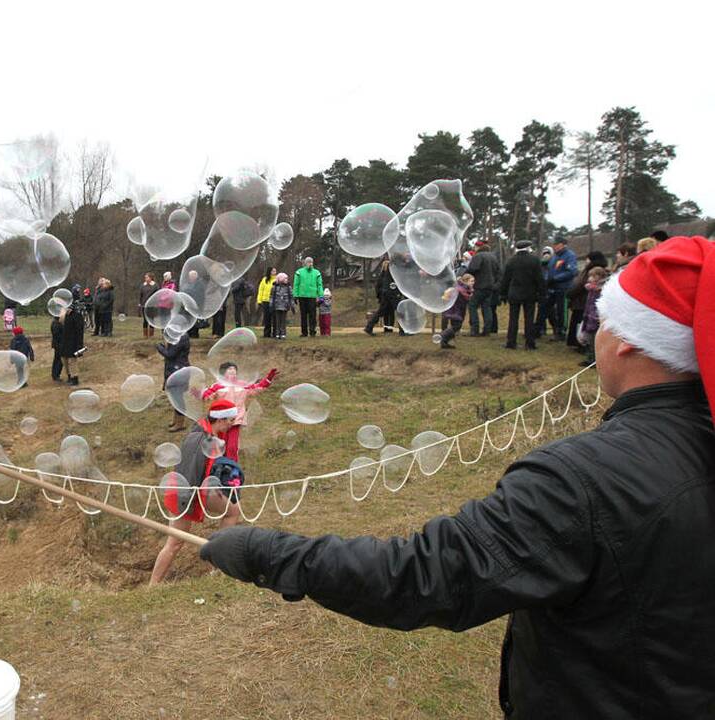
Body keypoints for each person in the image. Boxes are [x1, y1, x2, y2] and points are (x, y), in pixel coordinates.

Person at [200, 235, 715, 719]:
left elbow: (425, 576)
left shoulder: (583, 479)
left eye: (605, 319)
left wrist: (269, 554)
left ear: (628, 341)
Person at [150, 399, 243, 585]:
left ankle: (218, 564)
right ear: (220, 419)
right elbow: (189, 473)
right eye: (230, 420)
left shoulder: (209, 433)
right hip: (184, 495)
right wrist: (187, 503)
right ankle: (152, 585)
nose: (232, 424)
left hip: (195, 492)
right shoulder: (199, 439)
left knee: (232, 510)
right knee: (174, 543)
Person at [201, 364, 278, 459]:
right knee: (219, 443)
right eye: (230, 369)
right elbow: (207, 395)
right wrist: (203, 394)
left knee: (232, 446)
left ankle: (232, 466)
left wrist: (268, 379)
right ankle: (218, 464)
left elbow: (258, 388)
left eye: (234, 369)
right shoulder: (218, 385)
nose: (233, 370)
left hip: (236, 419)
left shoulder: (242, 384)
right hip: (220, 420)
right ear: (223, 373)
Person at [499, 240, 546, 350]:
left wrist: (503, 294)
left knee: (513, 319)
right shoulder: (534, 260)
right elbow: (539, 278)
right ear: (528, 248)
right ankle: (530, 343)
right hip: (530, 293)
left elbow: (505, 279)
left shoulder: (511, 261)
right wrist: (542, 293)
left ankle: (511, 342)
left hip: (514, 293)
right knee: (529, 319)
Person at [566, 252, 608, 348]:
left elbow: (580, 284)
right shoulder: (590, 270)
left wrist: (570, 293)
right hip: (582, 301)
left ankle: (582, 344)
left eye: (587, 259)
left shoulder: (594, 271)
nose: (586, 261)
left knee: (583, 325)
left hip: (583, 302)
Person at [545, 234, 578, 341]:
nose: (554, 246)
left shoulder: (569, 256)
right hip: (552, 288)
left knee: (561, 311)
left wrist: (555, 278)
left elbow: (571, 272)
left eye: (556, 244)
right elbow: (549, 270)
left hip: (564, 288)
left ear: (562, 245)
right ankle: (555, 327)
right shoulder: (555, 257)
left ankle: (562, 331)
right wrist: (547, 279)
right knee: (547, 308)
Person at [157, 331, 191, 432]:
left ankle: (180, 424)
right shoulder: (178, 335)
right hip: (174, 369)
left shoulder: (181, 337)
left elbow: (170, 354)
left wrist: (159, 347)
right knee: (174, 397)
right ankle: (176, 420)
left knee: (178, 398)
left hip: (178, 370)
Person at [465, 243, 501, 336]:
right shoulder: (493, 257)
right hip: (490, 287)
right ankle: (487, 330)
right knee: (487, 307)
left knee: (472, 306)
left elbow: (473, 268)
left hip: (480, 286)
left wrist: (466, 275)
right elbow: (498, 272)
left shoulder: (478, 256)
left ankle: (474, 329)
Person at [576, 266, 609, 367]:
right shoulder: (591, 289)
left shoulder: (602, 290)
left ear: (599, 277)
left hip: (596, 318)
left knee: (595, 340)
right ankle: (590, 358)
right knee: (589, 340)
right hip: (589, 316)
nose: (590, 278)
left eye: (592, 276)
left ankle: (595, 360)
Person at [364, 259, 403, 335]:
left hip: (385, 296)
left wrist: (380, 296)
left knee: (380, 313)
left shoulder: (383, 275)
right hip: (392, 295)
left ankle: (369, 327)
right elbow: (393, 285)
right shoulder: (391, 274)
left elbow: (378, 287)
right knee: (399, 312)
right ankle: (402, 330)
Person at [438, 274, 475, 350]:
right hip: (455, 310)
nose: (473, 283)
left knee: (456, 326)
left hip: (457, 310)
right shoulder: (461, 290)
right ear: (465, 281)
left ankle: (444, 343)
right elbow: (465, 297)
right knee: (457, 326)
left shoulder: (463, 288)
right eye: (471, 281)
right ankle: (443, 336)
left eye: (473, 281)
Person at [59, 292, 86, 386]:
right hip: (65, 340)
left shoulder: (77, 316)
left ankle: (75, 379)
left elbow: (80, 331)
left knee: (72, 361)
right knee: (64, 359)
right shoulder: (64, 316)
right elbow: (60, 324)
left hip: (73, 341)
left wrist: (79, 345)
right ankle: (69, 376)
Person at [293, 257, 324, 337]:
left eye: (311, 262)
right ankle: (304, 332)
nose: (310, 264)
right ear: (305, 263)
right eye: (308, 262)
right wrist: (295, 295)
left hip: (312, 296)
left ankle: (312, 331)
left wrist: (321, 295)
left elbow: (320, 285)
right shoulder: (299, 272)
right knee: (303, 315)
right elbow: (296, 284)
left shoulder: (316, 273)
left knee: (312, 315)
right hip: (302, 296)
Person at [270, 272, 294, 339]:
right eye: (285, 279)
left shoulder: (288, 287)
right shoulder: (274, 287)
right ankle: (277, 333)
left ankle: (283, 333)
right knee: (277, 320)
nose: (287, 280)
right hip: (277, 305)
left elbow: (291, 296)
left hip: (285, 305)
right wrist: (271, 304)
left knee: (283, 320)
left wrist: (292, 305)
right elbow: (271, 296)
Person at [138, 273, 158, 338]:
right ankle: (145, 335)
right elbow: (140, 295)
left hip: (152, 305)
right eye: (145, 277)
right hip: (144, 305)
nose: (145, 279)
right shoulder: (143, 286)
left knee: (151, 320)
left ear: (150, 278)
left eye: (147, 277)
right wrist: (140, 303)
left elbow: (157, 295)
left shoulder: (155, 285)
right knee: (145, 320)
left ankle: (151, 335)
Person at [50, 312, 64, 382]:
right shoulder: (56, 324)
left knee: (57, 360)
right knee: (59, 360)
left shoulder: (55, 323)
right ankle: (56, 375)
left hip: (57, 344)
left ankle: (55, 375)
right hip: (58, 344)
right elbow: (57, 335)